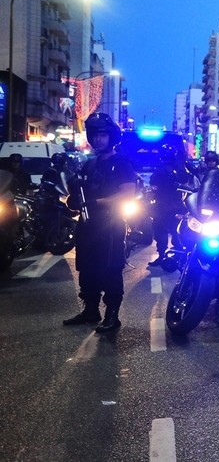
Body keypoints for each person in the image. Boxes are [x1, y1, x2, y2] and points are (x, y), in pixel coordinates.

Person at [63, 113, 137, 332]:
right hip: (87, 225)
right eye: (95, 135)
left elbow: (127, 194)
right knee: (86, 268)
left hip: (110, 225)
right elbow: (79, 194)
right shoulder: (89, 165)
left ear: (111, 137)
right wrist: (74, 199)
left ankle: (112, 315)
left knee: (110, 269)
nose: (98, 139)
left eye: (103, 135)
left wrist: (96, 203)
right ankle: (90, 310)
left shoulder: (121, 163)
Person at [148, 146, 188, 267]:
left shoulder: (177, 168)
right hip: (164, 204)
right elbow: (153, 182)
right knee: (162, 231)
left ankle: (178, 256)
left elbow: (184, 180)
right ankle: (164, 255)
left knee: (175, 232)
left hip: (172, 205)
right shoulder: (164, 168)